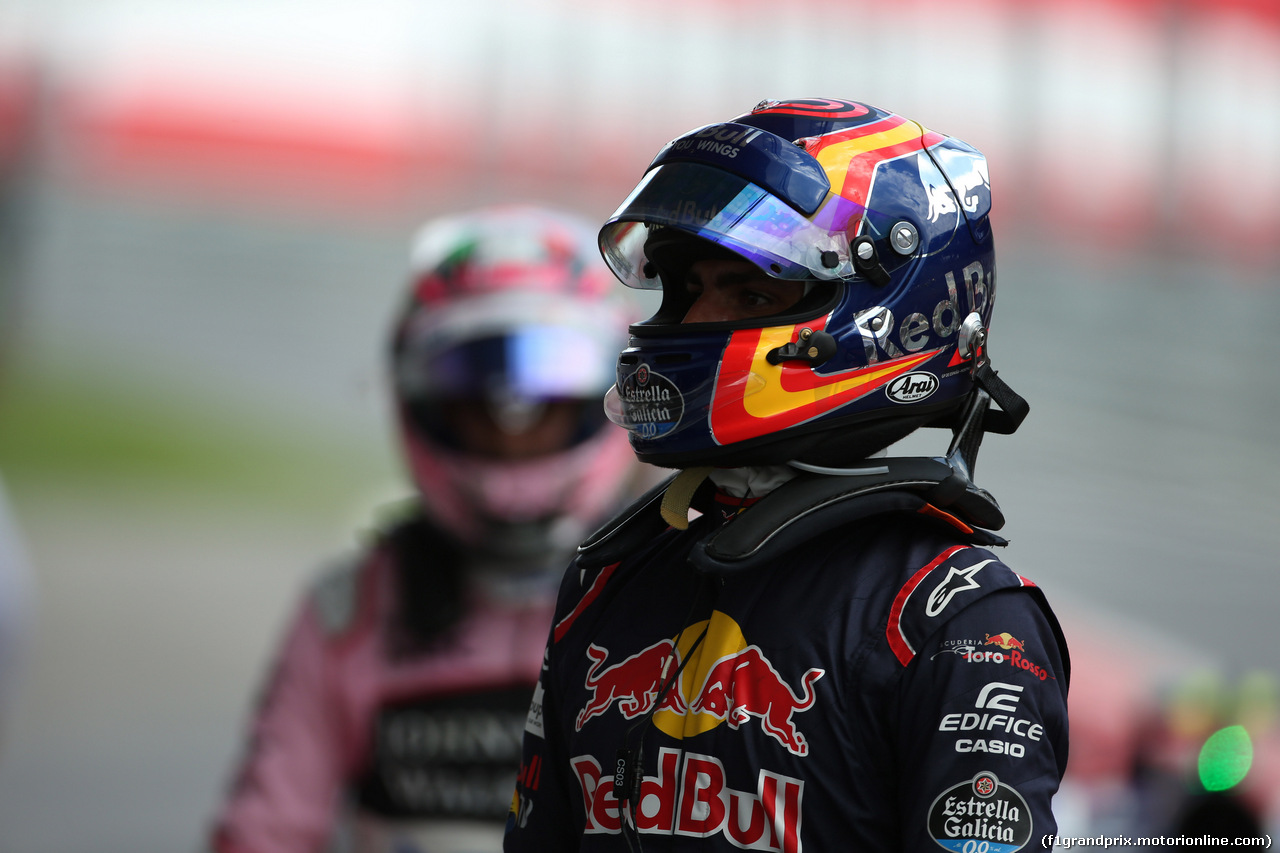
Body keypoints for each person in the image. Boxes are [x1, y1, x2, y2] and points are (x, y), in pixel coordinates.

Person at [505, 98, 1070, 851]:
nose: (696, 319)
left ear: (884, 314)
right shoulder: (606, 579)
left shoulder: (958, 621)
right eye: (688, 288)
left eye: (749, 293)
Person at [208, 205, 648, 853]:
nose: (512, 428)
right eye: (481, 403)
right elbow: (263, 833)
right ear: (420, 402)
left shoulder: (687, 592)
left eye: (545, 402)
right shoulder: (348, 613)